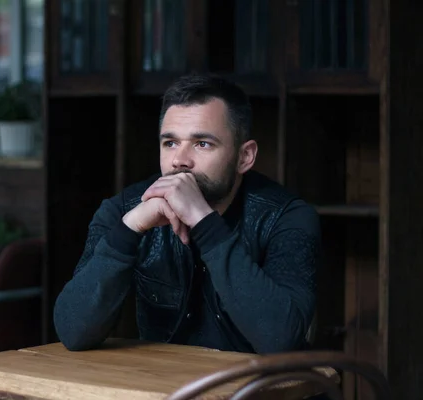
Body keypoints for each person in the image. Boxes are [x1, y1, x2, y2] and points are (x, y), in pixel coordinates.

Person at [53, 72, 322, 354]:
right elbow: (73, 332)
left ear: (245, 157)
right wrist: (129, 229)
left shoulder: (287, 217)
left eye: (202, 143)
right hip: (168, 392)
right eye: (170, 143)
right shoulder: (123, 211)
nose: (180, 160)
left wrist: (204, 223)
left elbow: (281, 340)